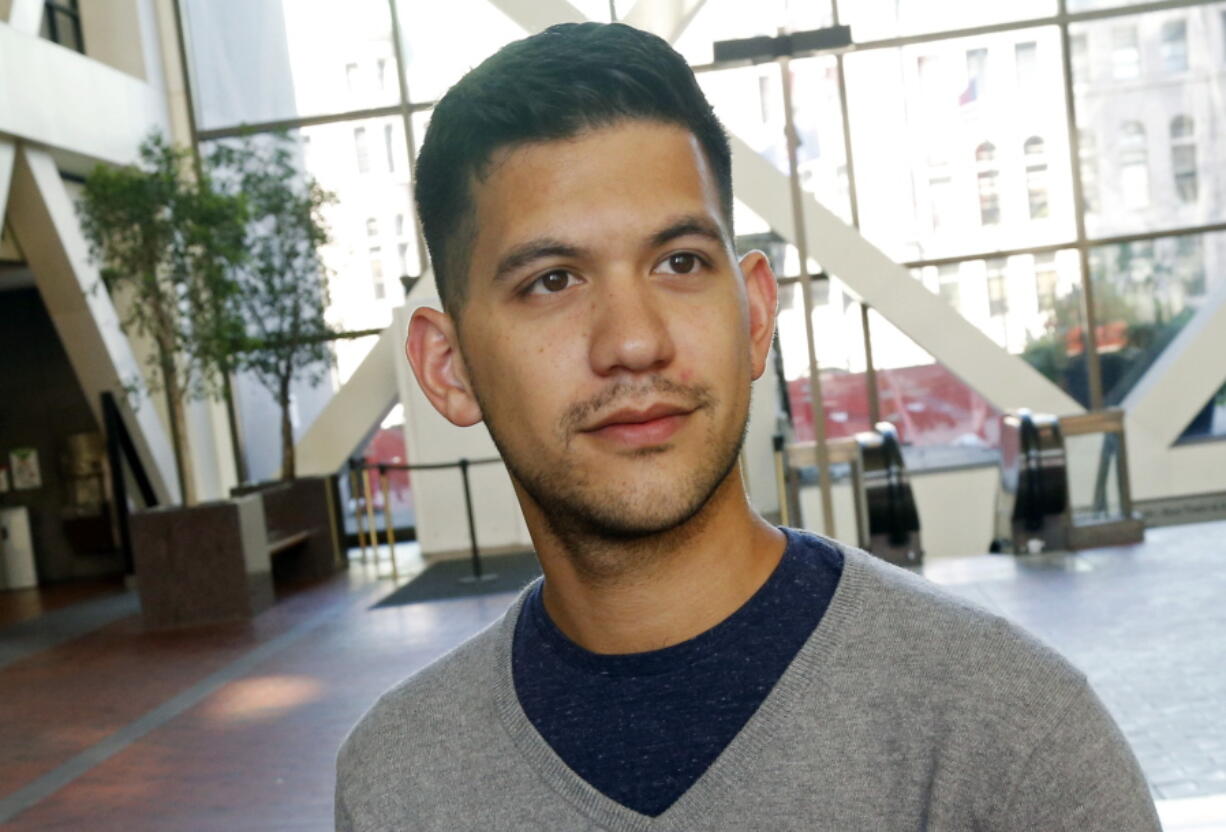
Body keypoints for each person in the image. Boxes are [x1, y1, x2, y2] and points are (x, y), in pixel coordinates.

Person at [335, 22, 1159, 831]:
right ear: (449, 369)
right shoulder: (397, 784)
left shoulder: (1006, 736)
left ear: (756, 313)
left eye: (679, 263)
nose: (634, 341)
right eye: (553, 281)